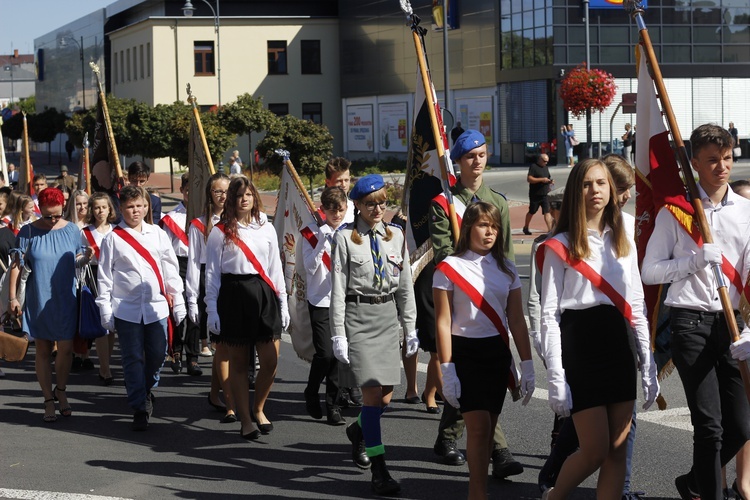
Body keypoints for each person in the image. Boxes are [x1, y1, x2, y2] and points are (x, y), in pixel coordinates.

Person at [540, 158, 658, 500]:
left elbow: (635, 303)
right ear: (577, 190)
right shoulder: (559, 243)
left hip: (617, 340)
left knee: (618, 450)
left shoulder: (625, 233)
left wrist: (647, 363)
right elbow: (549, 314)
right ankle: (553, 497)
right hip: (580, 341)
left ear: (611, 189)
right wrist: (556, 377)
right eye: (587, 184)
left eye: (601, 183)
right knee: (594, 450)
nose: (595, 191)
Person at [642, 124, 750, 500]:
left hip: (732, 324)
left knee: (743, 423)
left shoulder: (747, 211)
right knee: (710, 425)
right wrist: (690, 263)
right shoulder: (678, 213)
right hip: (689, 321)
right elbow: (649, 270)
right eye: (712, 160)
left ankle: (692, 482)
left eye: (727, 158)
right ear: (695, 164)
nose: (722, 167)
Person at [428, 129, 523, 478]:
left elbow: (506, 252)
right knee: (469, 376)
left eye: (482, 154)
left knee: (478, 383)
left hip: (493, 299)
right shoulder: (444, 203)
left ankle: (447, 436)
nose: (478, 160)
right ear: (459, 161)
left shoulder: (496, 201)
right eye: (470, 156)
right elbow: (442, 253)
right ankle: (499, 451)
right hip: (459, 295)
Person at [434, 201, 535, 500]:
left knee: (488, 428)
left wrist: (527, 364)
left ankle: (480, 488)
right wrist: (447, 368)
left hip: (495, 353)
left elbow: (516, 320)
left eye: (494, 226)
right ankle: (477, 494)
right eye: (482, 225)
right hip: (465, 354)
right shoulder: (449, 268)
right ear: (468, 228)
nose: (489, 231)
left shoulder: (506, 269)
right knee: (477, 429)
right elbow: (443, 320)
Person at [330, 173, 418, 496]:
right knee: (370, 396)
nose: (378, 208)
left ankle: (360, 430)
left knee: (385, 396)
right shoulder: (344, 239)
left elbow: (405, 287)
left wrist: (410, 326)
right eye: (370, 204)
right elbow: (338, 290)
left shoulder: (395, 236)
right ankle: (380, 471)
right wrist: (338, 333)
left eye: (382, 202)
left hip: (386, 318)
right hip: (358, 317)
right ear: (357, 205)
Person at [205, 176, 288, 440]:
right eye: (239, 195)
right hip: (233, 296)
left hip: (264, 295)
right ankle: (245, 421)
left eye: (249, 194)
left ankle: (259, 408)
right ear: (232, 199)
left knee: (270, 362)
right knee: (240, 365)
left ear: (254, 197)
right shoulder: (219, 232)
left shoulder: (266, 229)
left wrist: (283, 303)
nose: (245, 199)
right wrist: (212, 310)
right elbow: (212, 275)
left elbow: (276, 267)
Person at [96, 186, 186, 431]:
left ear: (146, 207)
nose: (135, 211)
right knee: (132, 358)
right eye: (129, 207)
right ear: (121, 209)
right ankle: (139, 406)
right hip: (126, 309)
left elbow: (170, 269)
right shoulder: (113, 238)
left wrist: (178, 301)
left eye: (139, 206)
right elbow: (105, 277)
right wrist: (105, 309)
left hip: (156, 307)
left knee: (157, 355)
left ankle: (146, 389)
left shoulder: (157, 234)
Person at [8, 188, 92, 423]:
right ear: (39, 210)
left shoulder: (72, 230)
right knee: (43, 351)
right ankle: (48, 399)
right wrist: (12, 298)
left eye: (57, 215)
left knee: (65, 349)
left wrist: (87, 258)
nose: (53, 219)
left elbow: (76, 259)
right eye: (48, 216)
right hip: (38, 297)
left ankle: (61, 391)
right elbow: (17, 265)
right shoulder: (28, 231)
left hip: (65, 298)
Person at [187, 172, 234, 422]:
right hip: (210, 282)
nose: (222, 196)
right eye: (217, 191)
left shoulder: (240, 220)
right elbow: (194, 263)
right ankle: (229, 400)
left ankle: (217, 392)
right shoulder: (199, 224)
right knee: (220, 344)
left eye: (226, 190)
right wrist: (192, 297)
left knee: (227, 345)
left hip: (234, 281)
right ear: (209, 194)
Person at [302, 186, 349, 426]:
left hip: (342, 301)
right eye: (332, 210)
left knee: (339, 357)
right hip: (320, 299)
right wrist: (321, 241)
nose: (337, 215)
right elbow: (309, 268)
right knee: (325, 353)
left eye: (340, 210)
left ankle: (333, 406)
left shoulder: (350, 233)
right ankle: (311, 390)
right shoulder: (311, 233)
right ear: (323, 210)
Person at [160, 174, 202, 377]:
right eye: (188, 189)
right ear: (182, 190)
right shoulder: (171, 218)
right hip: (178, 264)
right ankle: (175, 350)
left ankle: (193, 357)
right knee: (179, 310)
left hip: (198, 264)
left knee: (195, 311)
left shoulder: (205, 216)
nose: (190, 194)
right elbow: (165, 249)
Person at [81, 192, 117, 385]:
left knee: (111, 325)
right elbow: (77, 260)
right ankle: (105, 368)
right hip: (94, 277)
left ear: (110, 209)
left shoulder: (117, 230)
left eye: (104, 207)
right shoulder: (85, 233)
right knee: (102, 324)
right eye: (96, 207)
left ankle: (106, 363)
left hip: (115, 277)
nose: (100, 211)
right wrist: (86, 256)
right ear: (91, 210)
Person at [523, 153, 554, 235]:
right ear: (540, 159)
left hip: (545, 194)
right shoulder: (533, 167)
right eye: (544, 161)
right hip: (535, 194)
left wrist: (550, 181)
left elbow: (548, 177)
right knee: (532, 211)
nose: (546, 163)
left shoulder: (546, 168)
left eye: (547, 161)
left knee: (547, 212)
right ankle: (526, 227)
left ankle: (550, 230)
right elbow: (529, 179)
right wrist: (541, 180)